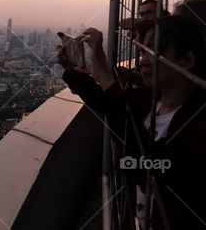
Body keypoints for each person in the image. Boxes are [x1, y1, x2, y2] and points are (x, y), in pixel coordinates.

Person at [58, 16, 206, 229]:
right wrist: (74, 70)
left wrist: (107, 79)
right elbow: (107, 102)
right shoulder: (148, 101)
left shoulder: (198, 123)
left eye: (155, 51)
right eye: (143, 50)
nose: (144, 60)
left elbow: (159, 166)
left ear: (187, 61)